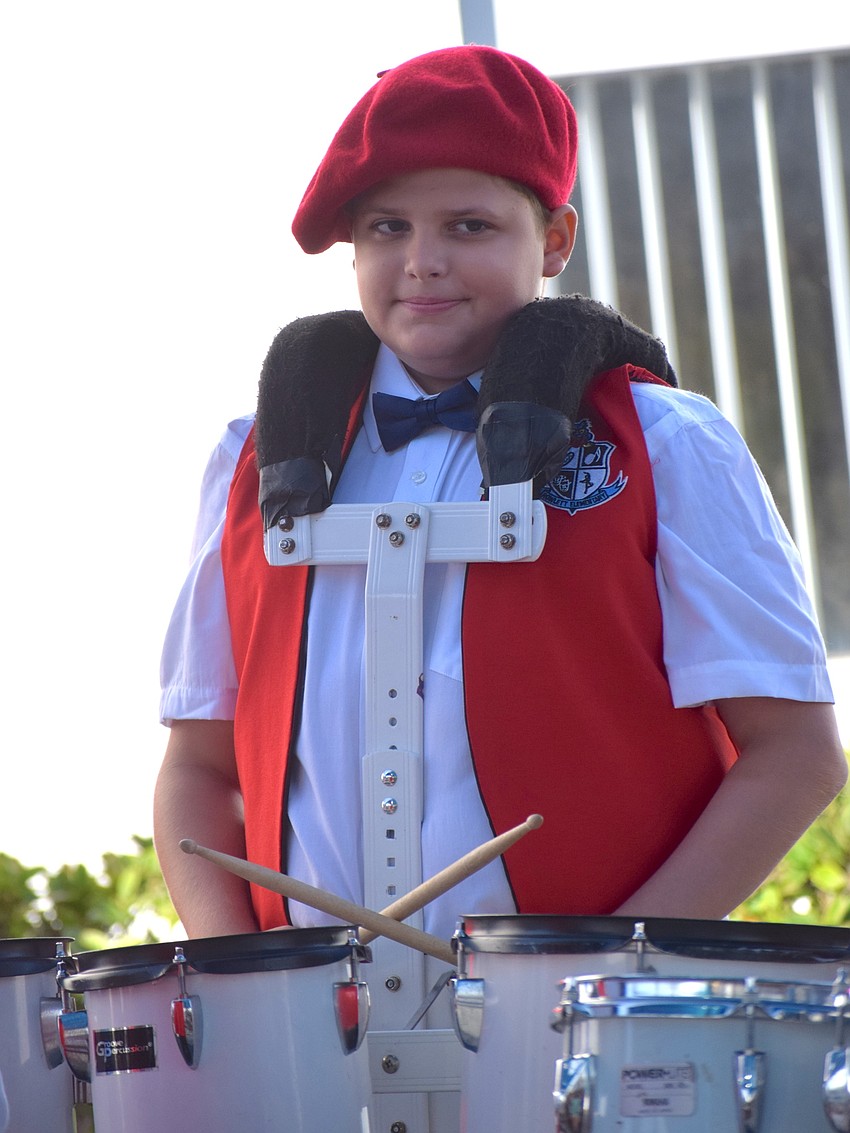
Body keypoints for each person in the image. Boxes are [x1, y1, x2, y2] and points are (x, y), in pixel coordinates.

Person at [155, 45, 844, 956]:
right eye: (387, 228)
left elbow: (796, 752)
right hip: (314, 1038)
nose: (423, 262)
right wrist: (236, 976)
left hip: (580, 1031)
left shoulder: (669, 439)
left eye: (470, 226)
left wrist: (599, 963)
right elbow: (198, 769)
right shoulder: (250, 457)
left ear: (555, 241)